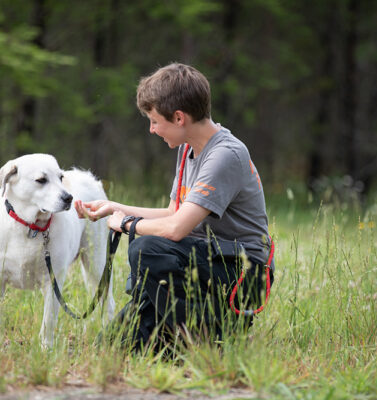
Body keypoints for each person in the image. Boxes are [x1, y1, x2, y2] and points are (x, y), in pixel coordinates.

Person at [75, 63, 274, 352]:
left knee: (147, 249)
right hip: (199, 264)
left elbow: (176, 228)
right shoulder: (187, 148)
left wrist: (127, 224)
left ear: (179, 117)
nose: (152, 129)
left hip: (241, 273)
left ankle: (209, 339)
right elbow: (173, 213)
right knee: (111, 347)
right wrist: (114, 207)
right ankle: (178, 336)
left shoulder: (226, 155)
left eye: (154, 121)